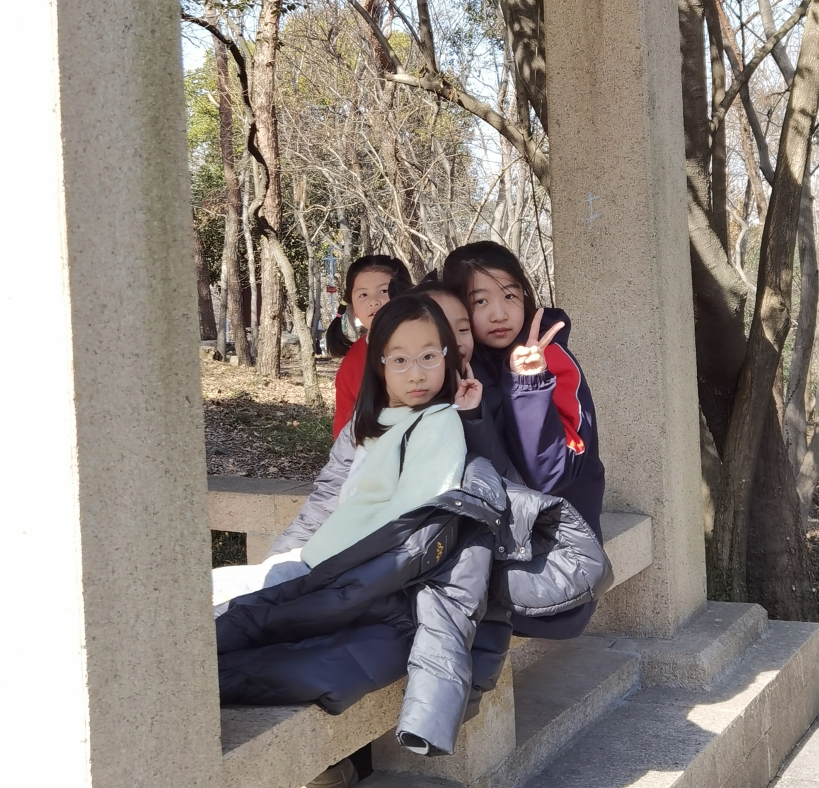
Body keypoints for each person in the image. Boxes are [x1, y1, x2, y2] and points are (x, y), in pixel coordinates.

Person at [216, 293, 502, 768]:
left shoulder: (439, 422)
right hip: (317, 563)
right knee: (226, 612)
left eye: (429, 357)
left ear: (448, 357)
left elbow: (411, 525)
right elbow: (330, 496)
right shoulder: (370, 422)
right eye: (400, 360)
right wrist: (288, 555)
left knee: (229, 627)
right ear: (379, 365)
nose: (416, 374)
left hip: (354, 578)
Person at [443, 241, 606, 554]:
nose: (499, 314)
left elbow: (551, 474)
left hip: (562, 544)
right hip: (495, 538)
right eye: (480, 301)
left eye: (509, 296)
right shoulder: (461, 366)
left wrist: (528, 385)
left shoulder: (550, 359)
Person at [327, 255, 412, 437]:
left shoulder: (429, 340)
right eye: (363, 295)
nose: (374, 301)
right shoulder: (352, 361)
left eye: (383, 291)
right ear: (352, 306)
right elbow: (343, 427)